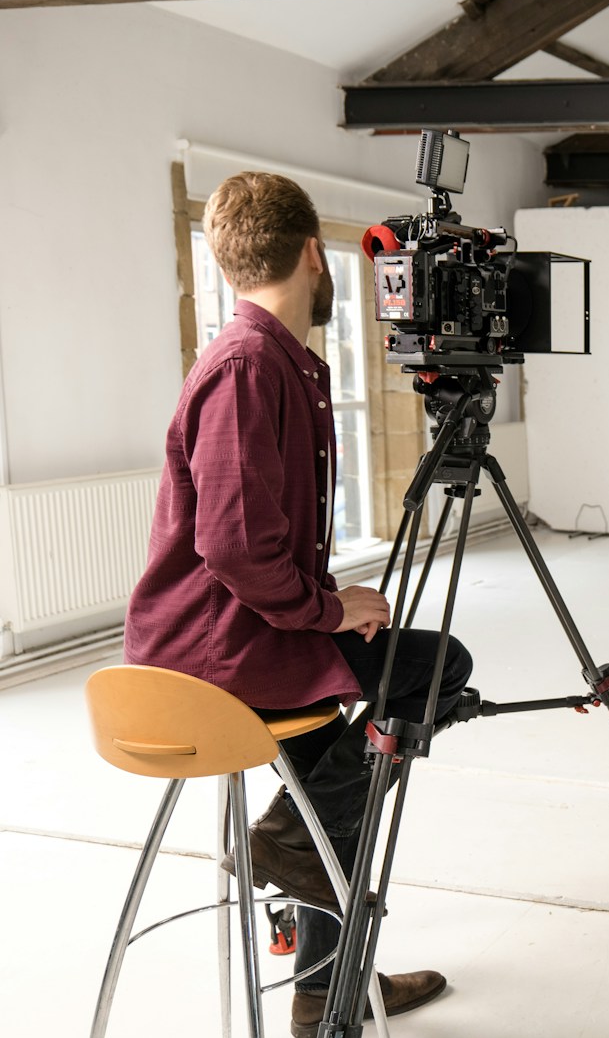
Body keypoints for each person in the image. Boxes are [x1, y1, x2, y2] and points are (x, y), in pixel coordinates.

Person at [124, 172, 470, 1036]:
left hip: (244, 638)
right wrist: (330, 610)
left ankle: (325, 988)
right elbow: (236, 548)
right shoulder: (248, 367)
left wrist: (325, 608)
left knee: (334, 776)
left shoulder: (271, 360)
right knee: (435, 668)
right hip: (217, 656)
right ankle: (287, 844)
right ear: (314, 254)